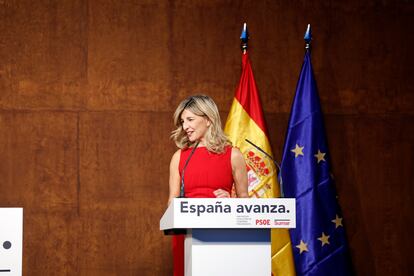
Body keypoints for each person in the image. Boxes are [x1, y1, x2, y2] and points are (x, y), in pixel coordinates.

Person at [168, 95, 249, 276]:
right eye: (182, 121)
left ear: (209, 119)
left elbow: (245, 202)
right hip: (186, 232)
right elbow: (171, 202)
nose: (185, 126)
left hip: (222, 232)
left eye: (190, 119)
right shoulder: (179, 157)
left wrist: (231, 201)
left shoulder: (233, 155)